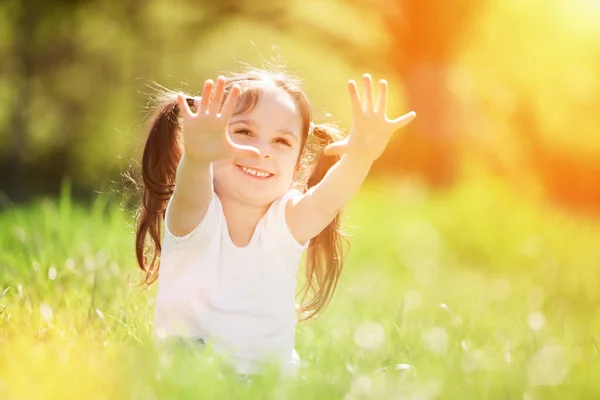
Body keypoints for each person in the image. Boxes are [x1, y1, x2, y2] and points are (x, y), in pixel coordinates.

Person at [133, 67, 415, 376]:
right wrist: (197, 157)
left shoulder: (287, 221)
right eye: (244, 132)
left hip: (274, 384)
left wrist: (361, 156)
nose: (262, 151)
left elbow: (328, 197)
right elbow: (191, 187)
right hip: (194, 378)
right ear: (209, 140)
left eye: (281, 141)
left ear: (296, 167)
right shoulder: (195, 214)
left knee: (397, 377)